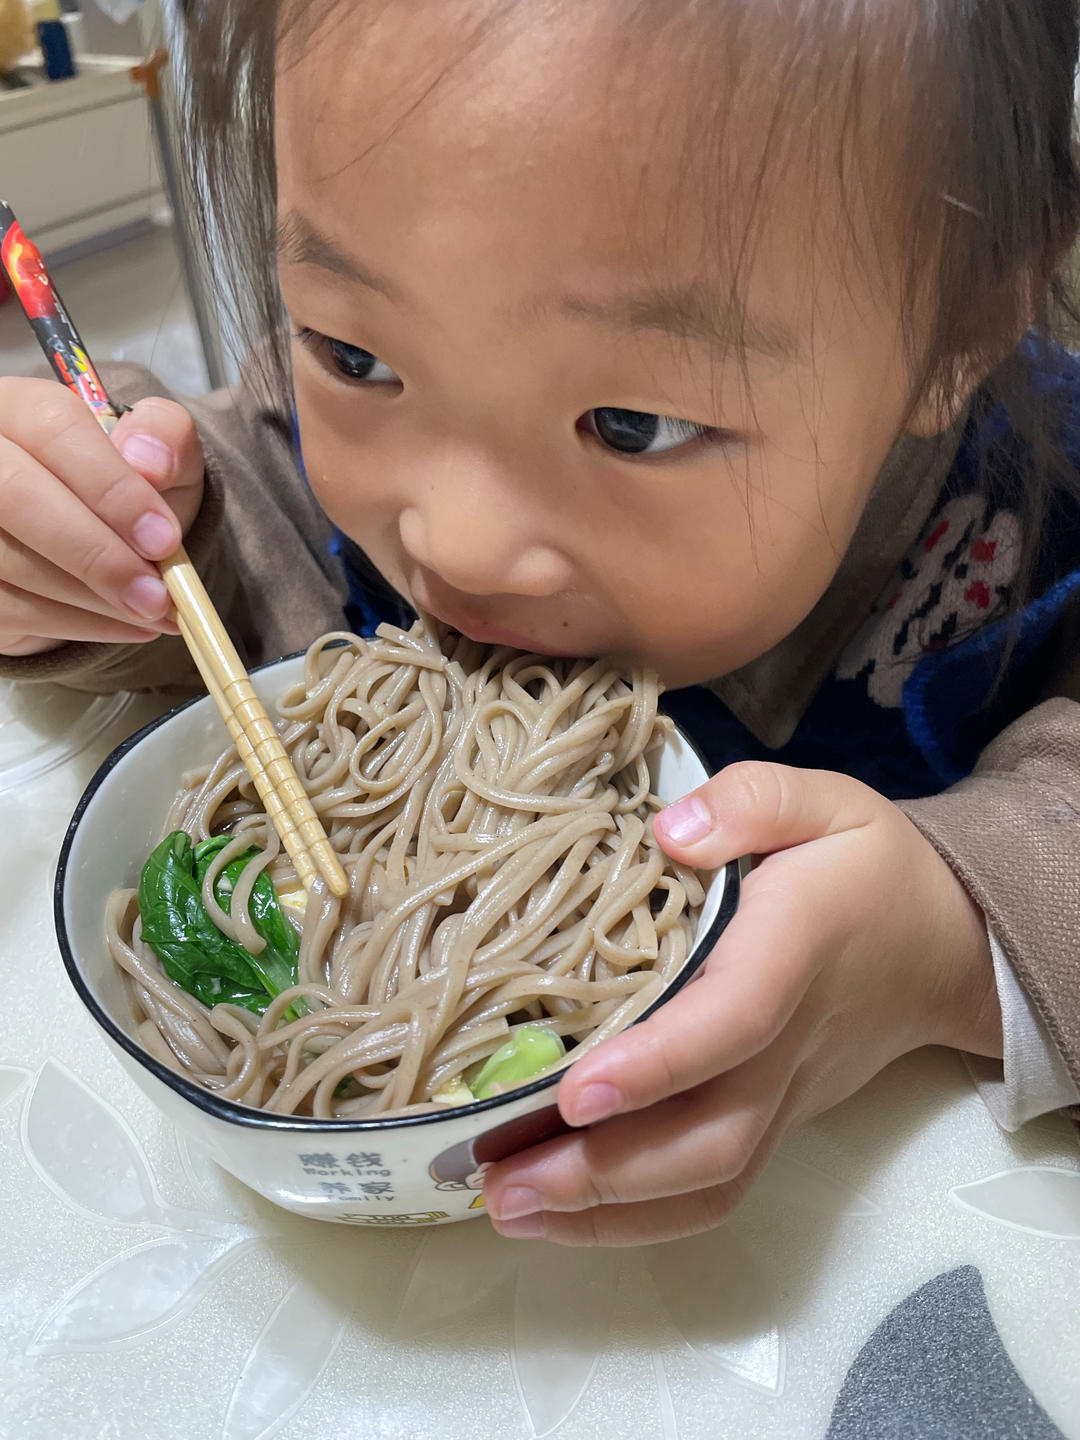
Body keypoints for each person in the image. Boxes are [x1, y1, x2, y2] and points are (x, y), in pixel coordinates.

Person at [1, 0, 1078, 1247]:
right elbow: (233, 524)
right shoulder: (342, 430)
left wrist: (958, 932)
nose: (454, 543)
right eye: (357, 355)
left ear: (963, 315)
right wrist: (102, 530)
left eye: (632, 425)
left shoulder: (1023, 533)